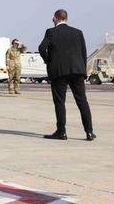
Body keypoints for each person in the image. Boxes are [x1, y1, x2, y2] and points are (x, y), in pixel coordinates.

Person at [38, 9, 96, 141]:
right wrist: (82, 71)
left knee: (60, 102)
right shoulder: (78, 32)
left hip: (59, 72)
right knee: (82, 101)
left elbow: (42, 48)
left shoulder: (51, 32)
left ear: (56, 18)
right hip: (77, 71)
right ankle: (89, 132)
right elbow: (83, 52)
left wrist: (48, 60)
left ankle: (61, 132)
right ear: (67, 19)